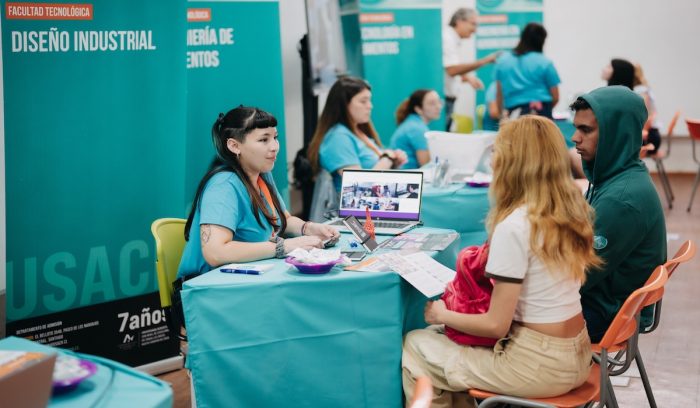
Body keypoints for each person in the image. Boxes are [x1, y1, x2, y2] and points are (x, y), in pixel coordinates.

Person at [402, 115, 601, 406]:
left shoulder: (516, 225)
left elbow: (496, 326)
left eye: (496, 152)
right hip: (578, 354)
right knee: (438, 340)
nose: (492, 161)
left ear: (514, 163)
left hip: (538, 365)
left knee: (416, 344)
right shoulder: (571, 211)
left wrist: (440, 314)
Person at [178, 106, 341, 280]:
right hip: (211, 289)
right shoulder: (223, 186)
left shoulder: (262, 174)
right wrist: (284, 246)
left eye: (275, 138)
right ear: (234, 145)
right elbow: (216, 253)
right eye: (264, 140)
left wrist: (309, 228)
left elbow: (283, 220)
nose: (274, 147)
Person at [569, 86, 667, 342]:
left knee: (502, 322)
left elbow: (574, 277)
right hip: (607, 302)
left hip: (605, 314)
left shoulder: (622, 199)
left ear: (616, 135)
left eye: (586, 130)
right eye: (576, 128)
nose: (574, 138)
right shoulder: (621, 176)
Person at [307, 76, 407, 191]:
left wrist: (393, 162)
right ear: (344, 104)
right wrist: (388, 158)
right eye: (363, 101)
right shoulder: (338, 138)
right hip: (361, 207)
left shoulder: (357, 132)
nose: (370, 106)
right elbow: (359, 188)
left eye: (369, 100)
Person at [443, 8, 499, 131]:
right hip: (445, 100)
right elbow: (451, 70)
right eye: (473, 24)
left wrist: (467, 78)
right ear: (459, 22)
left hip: (449, 100)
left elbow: (447, 71)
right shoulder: (447, 39)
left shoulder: (452, 39)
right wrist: (485, 60)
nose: (475, 29)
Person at [494, 22, 560, 119]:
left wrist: (502, 115)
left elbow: (499, 94)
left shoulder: (503, 61)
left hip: (514, 114)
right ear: (541, 41)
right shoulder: (544, 62)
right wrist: (544, 111)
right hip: (541, 112)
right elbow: (555, 96)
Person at [390, 89, 442, 169]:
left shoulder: (413, 123)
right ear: (418, 109)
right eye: (432, 103)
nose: (438, 107)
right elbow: (425, 164)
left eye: (439, 102)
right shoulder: (416, 128)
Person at [634, 63, 662, 154]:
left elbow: (646, 116)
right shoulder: (644, 89)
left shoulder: (641, 91)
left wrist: (643, 132)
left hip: (649, 138)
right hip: (652, 135)